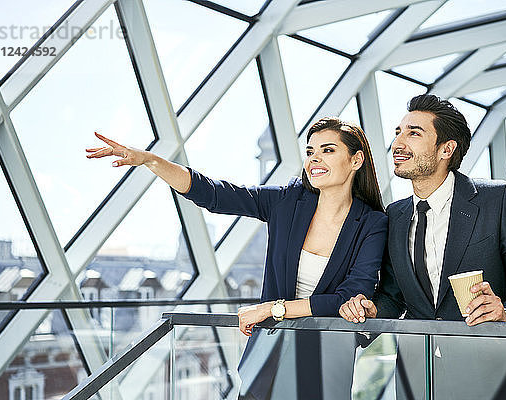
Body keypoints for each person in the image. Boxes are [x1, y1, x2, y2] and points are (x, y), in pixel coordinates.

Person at [86, 117, 388, 400]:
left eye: (328, 150)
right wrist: (151, 160)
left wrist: (272, 309)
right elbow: (215, 194)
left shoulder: (372, 223)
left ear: (356, 160)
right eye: (310, 151)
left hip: (324, 365)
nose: (314, 159)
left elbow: (348, 297)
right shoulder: (289, 201)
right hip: (267, 359)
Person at [339, 95, 506, 399]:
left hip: (488, 374)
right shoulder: (395, 216)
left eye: (413, 133)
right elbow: (393, 295)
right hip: (417, 374)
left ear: (446, 149)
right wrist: (371, 308)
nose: (399, 143)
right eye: (398, 132)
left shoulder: (499, 200)